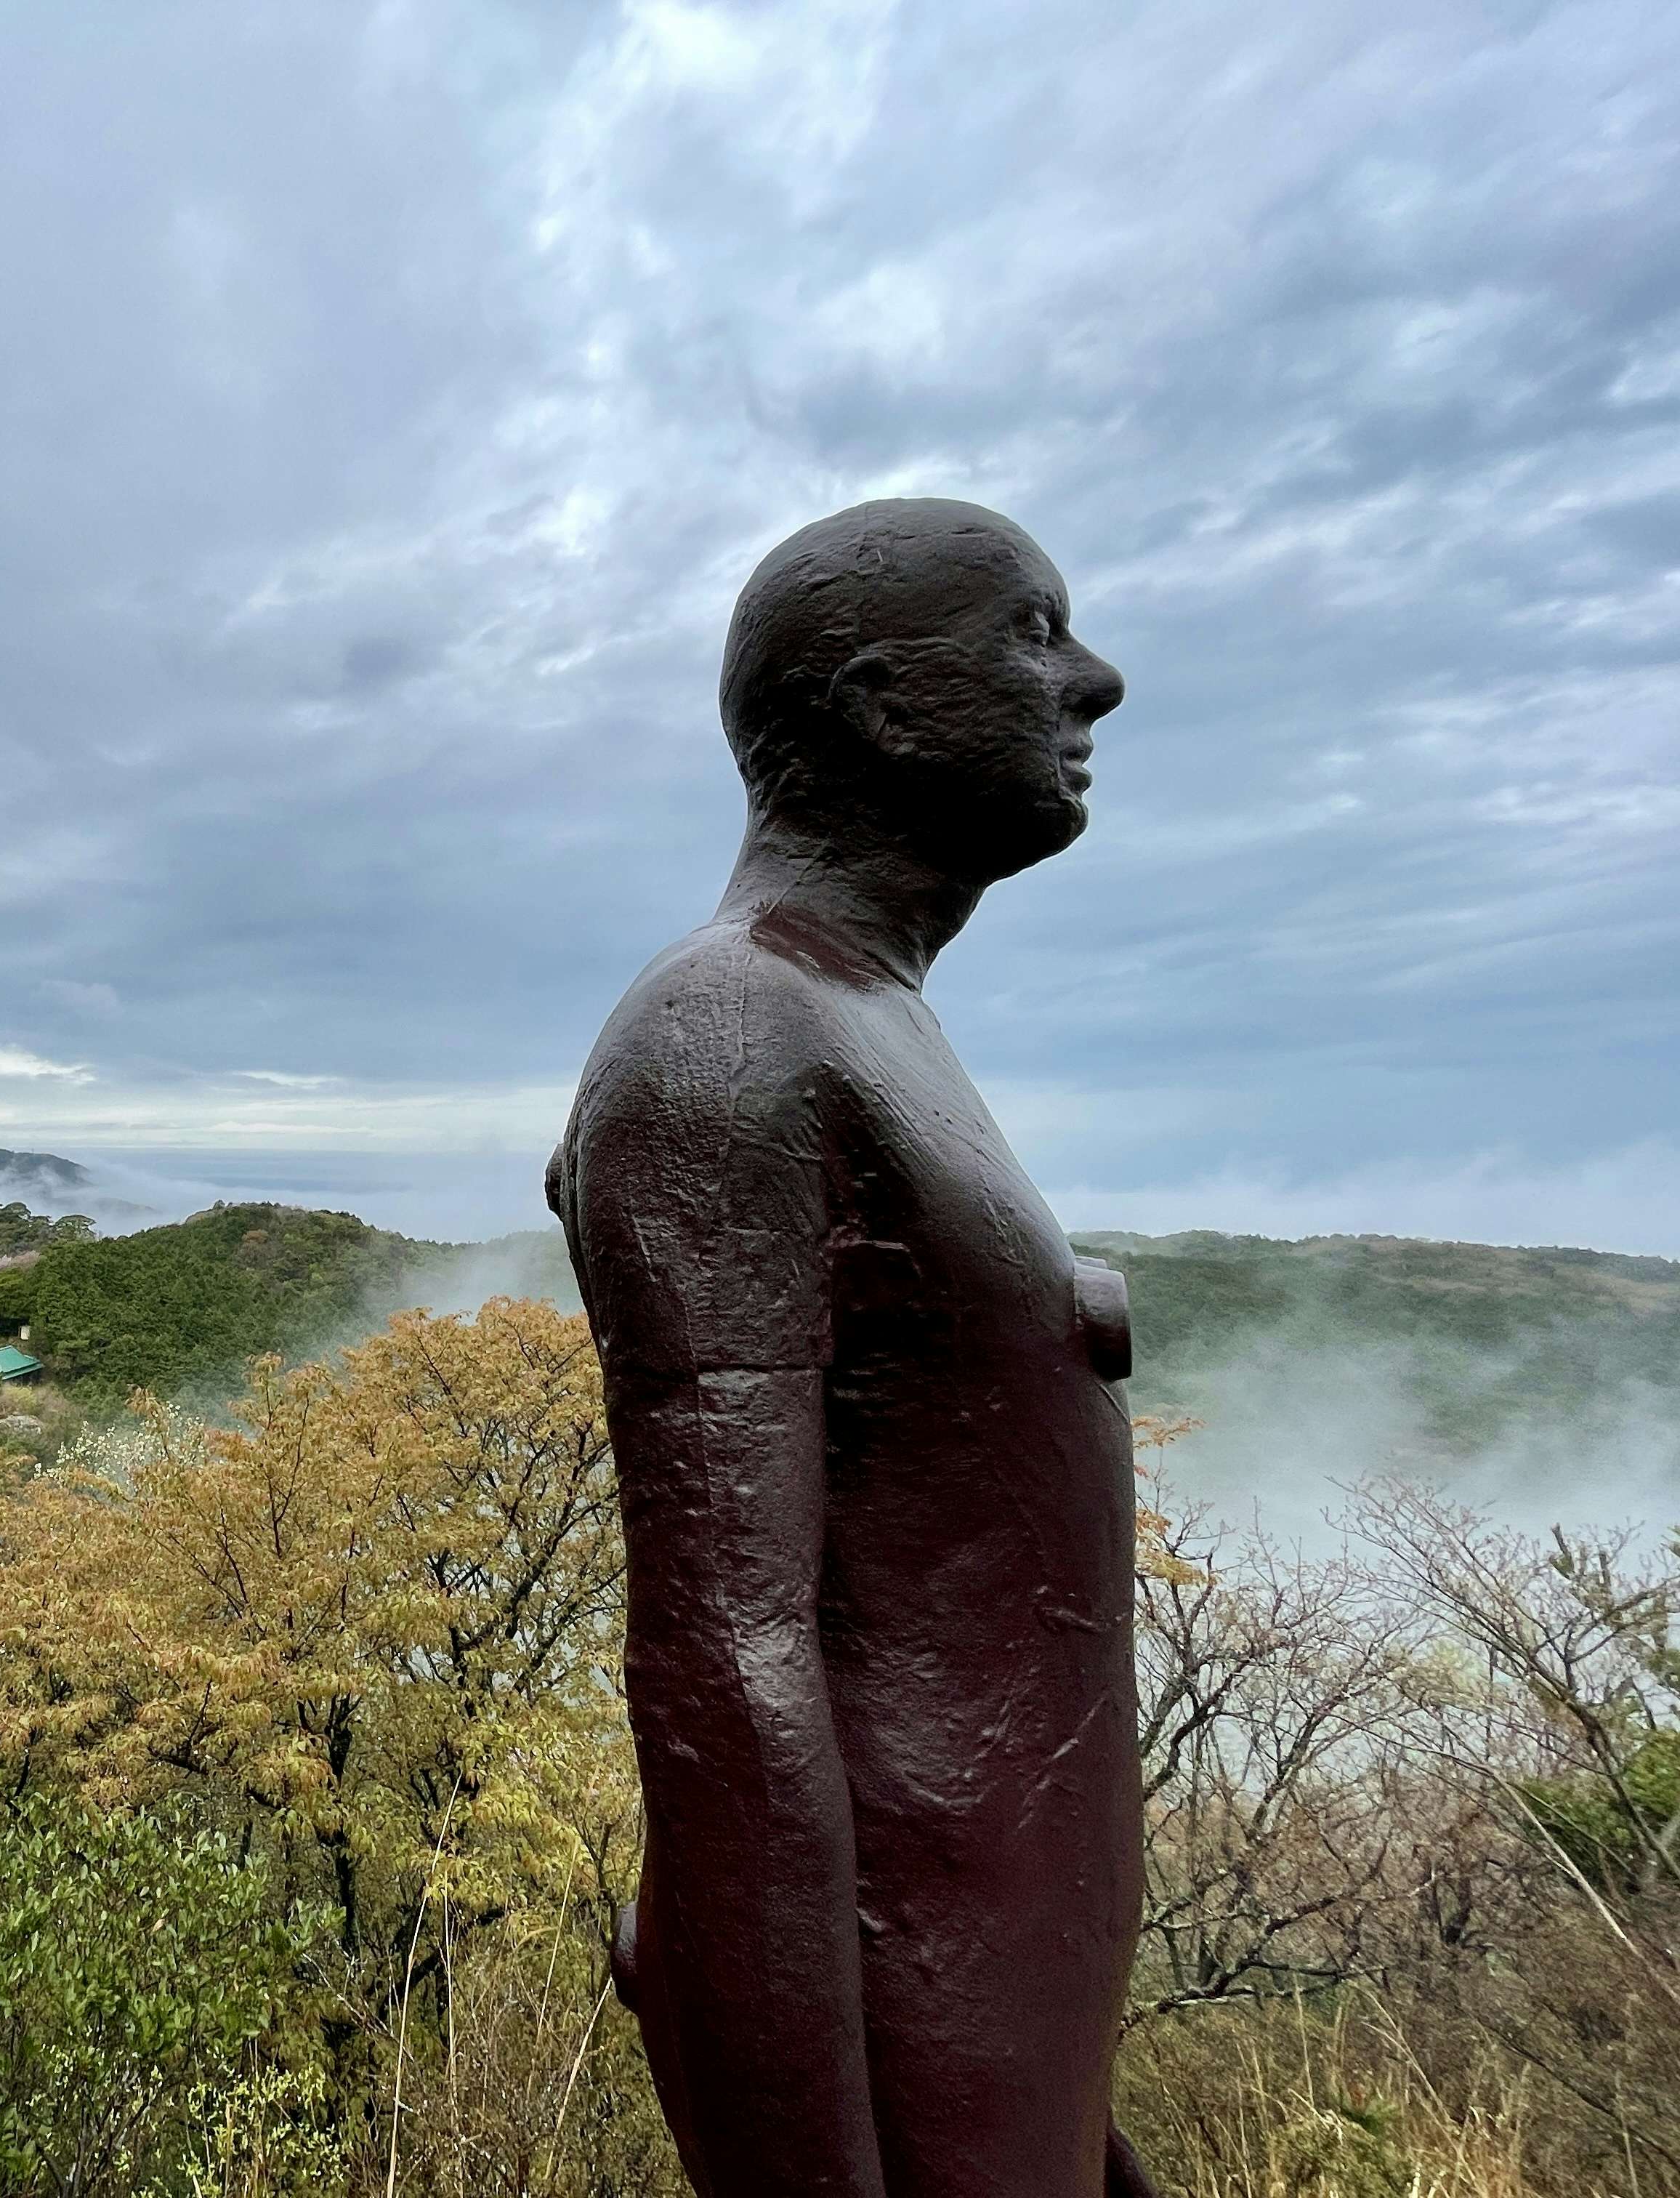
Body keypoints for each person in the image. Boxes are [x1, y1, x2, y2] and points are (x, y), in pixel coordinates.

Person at [548, 499, 1155, 2197]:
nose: (1093, 683)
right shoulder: (726, 1034)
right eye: (1034, 633)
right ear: (887, 707)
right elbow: (724, 1683)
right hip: (914, 2042)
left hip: (996, 2033)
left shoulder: (868, 1014)